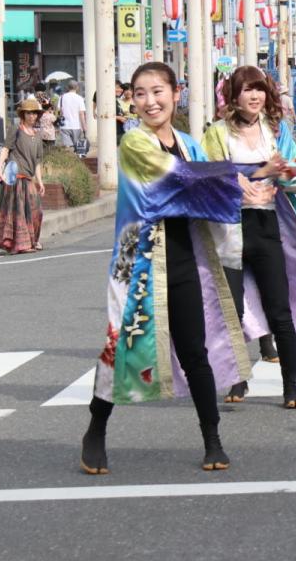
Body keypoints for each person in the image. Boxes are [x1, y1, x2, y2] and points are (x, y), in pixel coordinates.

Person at [79, 61, 262, 476]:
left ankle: (212, 439)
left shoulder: (188, 142)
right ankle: (96, 428)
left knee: (195, 352)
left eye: (158, 91)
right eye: (140, 93)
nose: (150, 101)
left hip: (185, 261)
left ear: (175, 93)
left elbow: (204, 176)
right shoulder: (134, 145)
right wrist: (242, 178)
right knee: (120, 351)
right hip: (139, 263)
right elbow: (179, 179)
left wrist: (263, 175)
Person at [203, 65, 296, 407]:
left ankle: (291, 388)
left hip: (268, 227)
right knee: (233, 311)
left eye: (260, 90)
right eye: (246, 90)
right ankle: (237, 379)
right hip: (229, 232)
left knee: (279, 310)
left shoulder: (275, 129)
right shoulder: (217, 133)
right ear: (233, 96)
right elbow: (211, 178)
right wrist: (257, 174)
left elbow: (288, 169)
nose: (254, 96)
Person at [0, 98, 46, 254]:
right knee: (19, 212)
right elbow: (5, 149)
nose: (32, 116)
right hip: (14, 176)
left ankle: (32, 240)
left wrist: (40, 182)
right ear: (23, 114)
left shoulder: (37, 135)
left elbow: (37, 162)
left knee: (36, 211)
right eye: (29, 113)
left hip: (28, 178)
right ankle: (22, 244)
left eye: (34, 113)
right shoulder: (16, 129)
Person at [59, 80, 87, 152]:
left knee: (67, 149)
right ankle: (76, 161)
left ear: (68, 87)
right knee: (77, 148)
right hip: (76, 126)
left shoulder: (62, 97)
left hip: (64, 126)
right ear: (77, 88)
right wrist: (84, 127)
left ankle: (69, 161)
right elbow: (81, 114)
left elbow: (60, 112)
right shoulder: (80, 98)